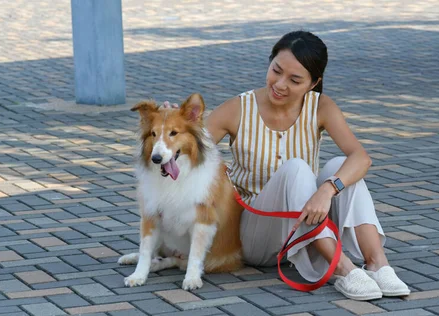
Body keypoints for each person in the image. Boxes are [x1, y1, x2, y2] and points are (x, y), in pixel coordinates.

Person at [165, 30, 410, 301]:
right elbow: (189, 152)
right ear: (270, 62)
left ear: (313, 82)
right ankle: (341, 268)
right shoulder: (239, 108)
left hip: (305, 224)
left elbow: (361, 157)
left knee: (342, 166)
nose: (280, 84)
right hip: (254, 234)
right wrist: (174, 126)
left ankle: (378, 263)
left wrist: (328, 190)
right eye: (276, 71)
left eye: (294, 80)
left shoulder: (321, 107)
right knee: (296, 169)